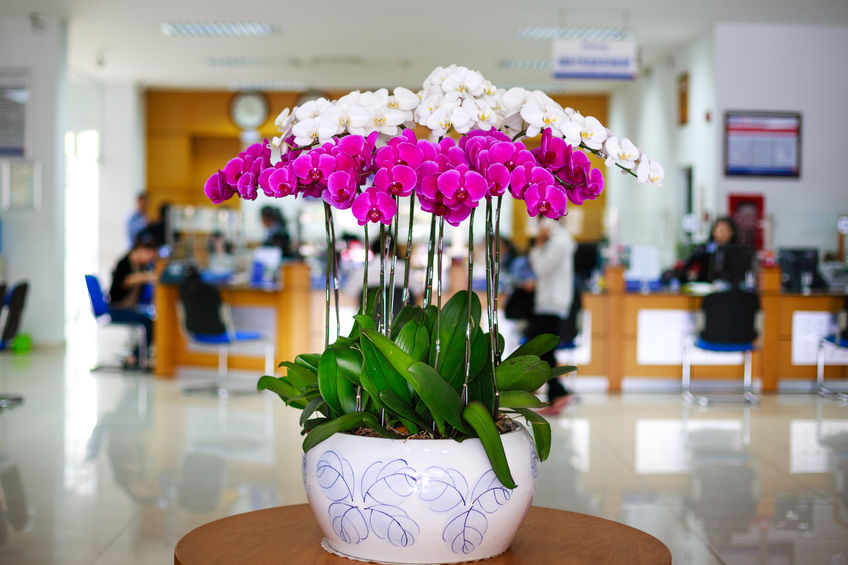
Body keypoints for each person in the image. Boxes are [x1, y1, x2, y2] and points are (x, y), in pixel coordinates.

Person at [525, 217, 577, 416]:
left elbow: (541, 268)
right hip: (549, 303)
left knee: (543, 351)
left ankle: (558, 394)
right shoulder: (559, 242)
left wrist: (538, 245)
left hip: (552, 304)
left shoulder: (560, 242)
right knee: (545, 352)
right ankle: (557, 393)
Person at [108, 234, 158, 368]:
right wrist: (146, 277)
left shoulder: (142, 266)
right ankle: (135, 356)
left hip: (131, 307)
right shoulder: (124, 263)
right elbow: (125, 281)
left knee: (151, 319)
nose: (149, 259)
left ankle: (139, 354)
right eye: (149, 254)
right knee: (149, 323)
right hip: (117, 309)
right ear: (140, 249)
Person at [679, 216, 739, 283]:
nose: (722, 232)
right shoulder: (704, 249)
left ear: (732, 232)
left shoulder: (737, 251)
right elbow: (689, 266)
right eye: (719, 229)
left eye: (725, 229)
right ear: (713, 231)